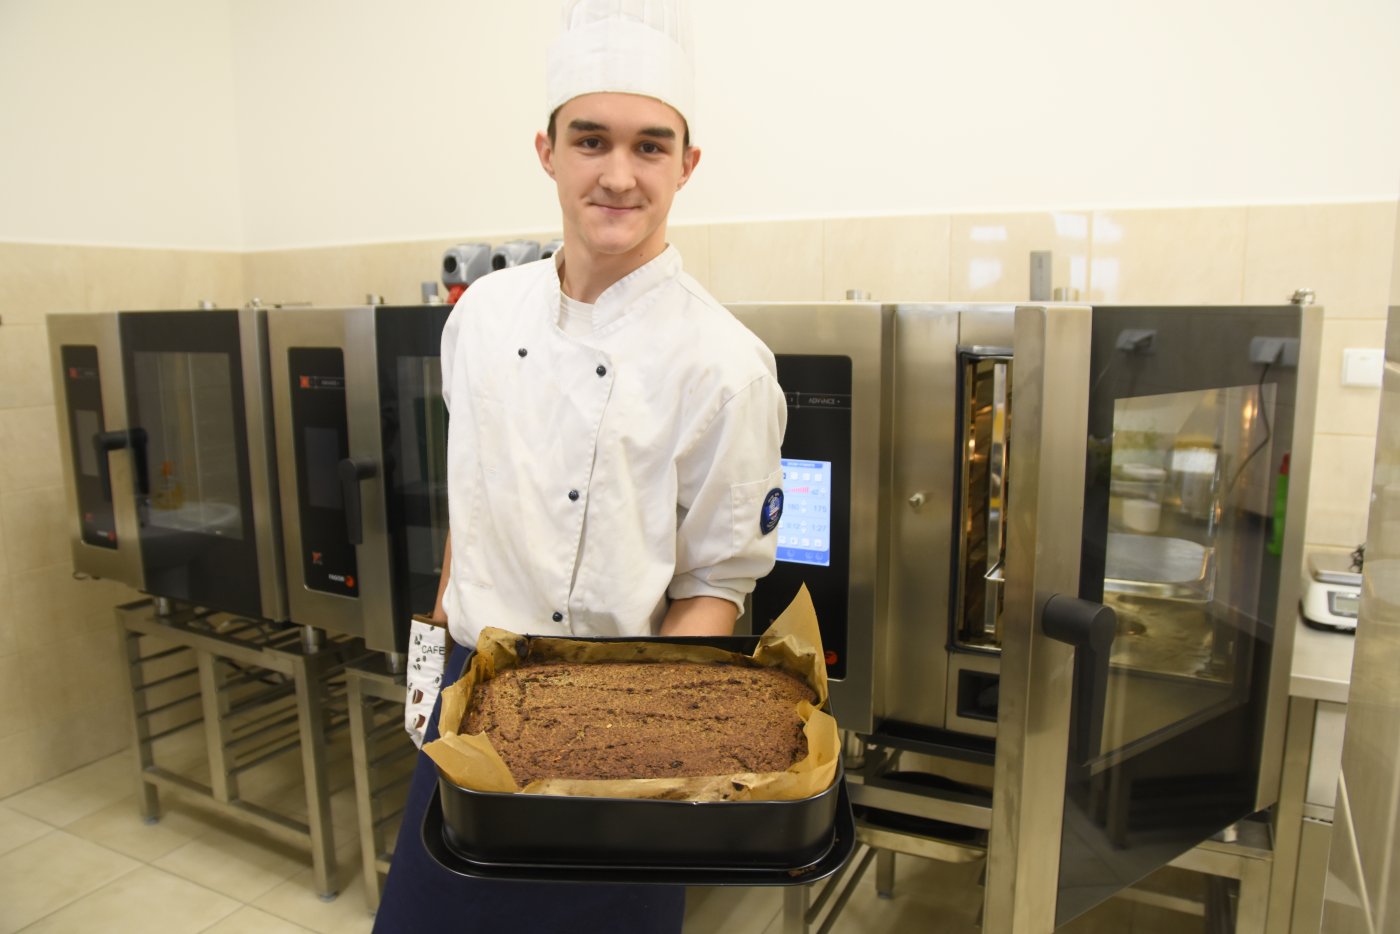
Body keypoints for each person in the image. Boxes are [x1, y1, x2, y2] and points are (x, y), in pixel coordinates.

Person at [373, 1, 787, 930]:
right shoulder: (479, 316)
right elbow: (468, 506)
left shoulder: (725, 366)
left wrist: (626, 760)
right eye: (590, 140)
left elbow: (715, 586)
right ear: (546, 150)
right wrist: (429, 675)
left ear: (688, 164)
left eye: (650, 147)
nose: (617, 175)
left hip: (625, 728)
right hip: (469, 702)